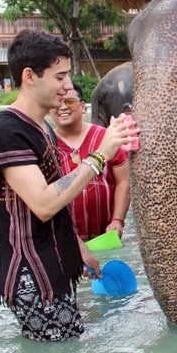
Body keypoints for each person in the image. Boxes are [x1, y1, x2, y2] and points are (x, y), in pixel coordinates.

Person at [0, 29, 138, 341]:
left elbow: (58, 203)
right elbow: (44, 203)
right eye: (60, 76)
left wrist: (79, 249)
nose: (67, 86)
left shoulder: (41, 129)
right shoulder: (6, 132)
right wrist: (100, 155)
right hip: (31, 276)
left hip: (56, 265)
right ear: (30, 76)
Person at [50, 84, 130, 240]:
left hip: (106, 235)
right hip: (64, 239)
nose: (63, 107)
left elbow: (124, 181)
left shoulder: (106, 137)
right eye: (57, 103)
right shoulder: (45, 144)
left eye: (70, 102)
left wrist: (118, 220)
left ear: (82, 107)